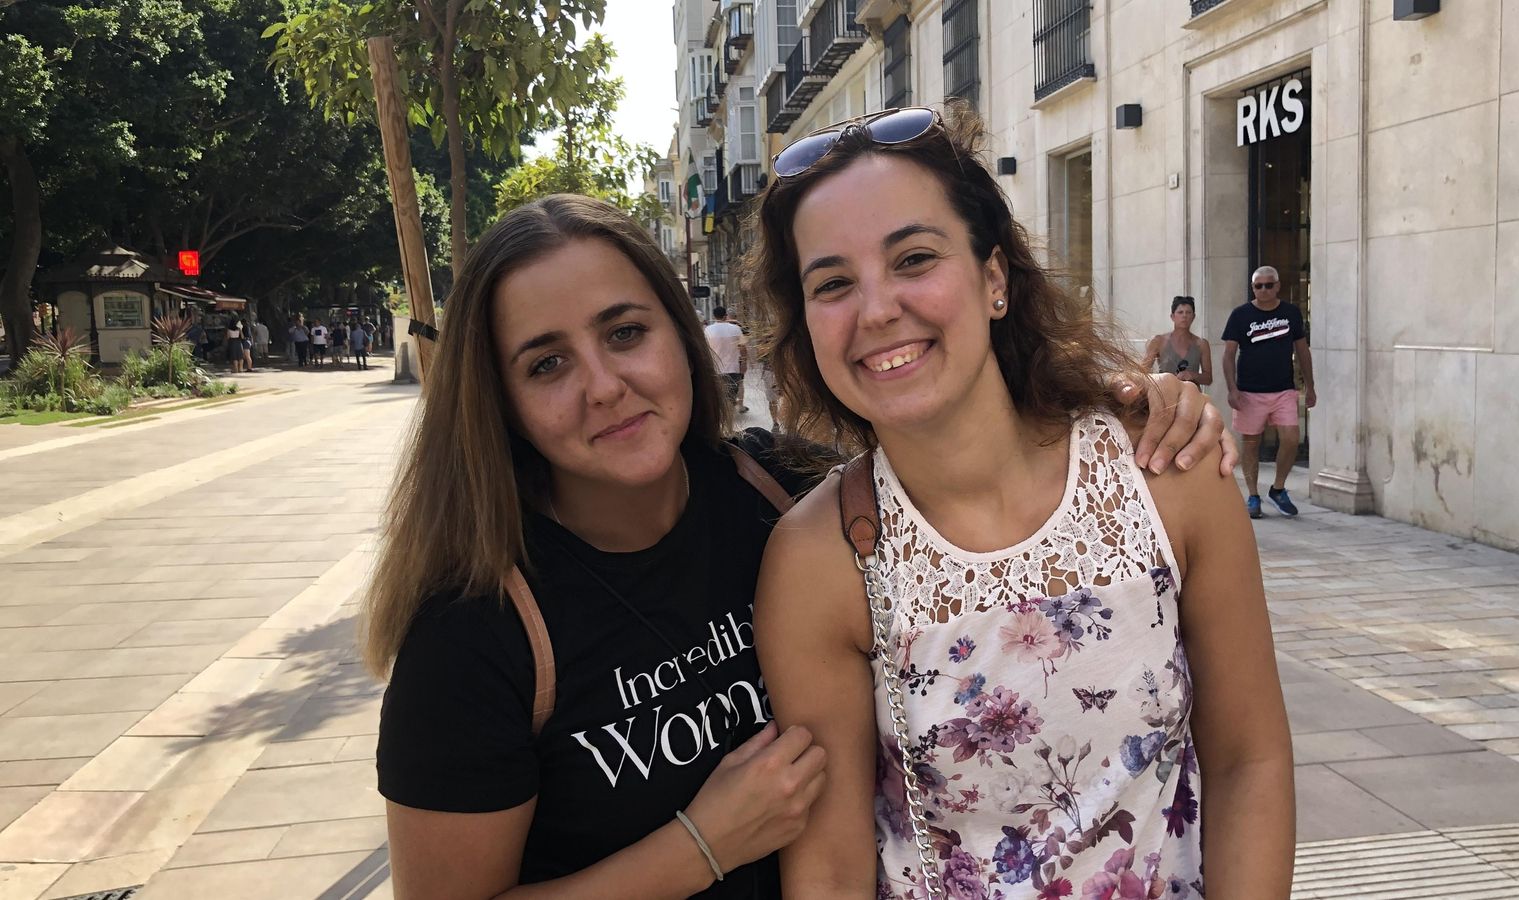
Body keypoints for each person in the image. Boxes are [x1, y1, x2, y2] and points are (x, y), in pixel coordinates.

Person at [368, 193, 1227, 899]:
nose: (604, 385)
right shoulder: (472, 633)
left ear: (682, 335)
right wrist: (700, 845)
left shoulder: (779, 493)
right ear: (502, 400)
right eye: (546, 364)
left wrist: (1129, 402)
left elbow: (948, 435)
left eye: (626, 332)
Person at [746, 105, 1293, 899]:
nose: (875, 310)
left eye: (913, 259)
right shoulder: (817, 560)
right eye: (832, 283)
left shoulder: (1166, 470)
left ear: (993, 277)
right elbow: (830, 868)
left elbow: (1251, 761)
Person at [1222, 266, 1316, 519]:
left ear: (1277, 286)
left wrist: (1310, 386)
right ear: (1253, 288)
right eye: (1258, 286)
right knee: (1251, 444)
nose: (1263, 290)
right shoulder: (1241, 315)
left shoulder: (1291, 313)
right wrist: (1232, 389)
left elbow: (1303, 351)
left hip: (1283, 389)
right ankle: (1253, 495)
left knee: (1290, 438)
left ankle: (1278, 489)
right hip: (1249, 392)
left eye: (1268, 285)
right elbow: (1229, 354)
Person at [1145, 296, 1211, 385]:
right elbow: (1143, 371)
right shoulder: (1158, 341)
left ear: (1193, 316)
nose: (1184, 316)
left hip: (1191, 395)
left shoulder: (1201, 344)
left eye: (1188, 312)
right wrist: (1161, 379)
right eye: (1180, 312)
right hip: (1165, 393)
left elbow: (1208, 378)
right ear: (1172, 316)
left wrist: (1192, 375)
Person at [704, 306, 746, 410]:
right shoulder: (736, 329)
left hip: (716, 369)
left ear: (714, 316)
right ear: (726, 316)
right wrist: (744, 363)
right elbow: (743, 348)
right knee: (730, 400)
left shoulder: (708, 330)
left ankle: (723, 423)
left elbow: (704, 350)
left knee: (719, 400)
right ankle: (730, 424)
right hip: (733, 369)